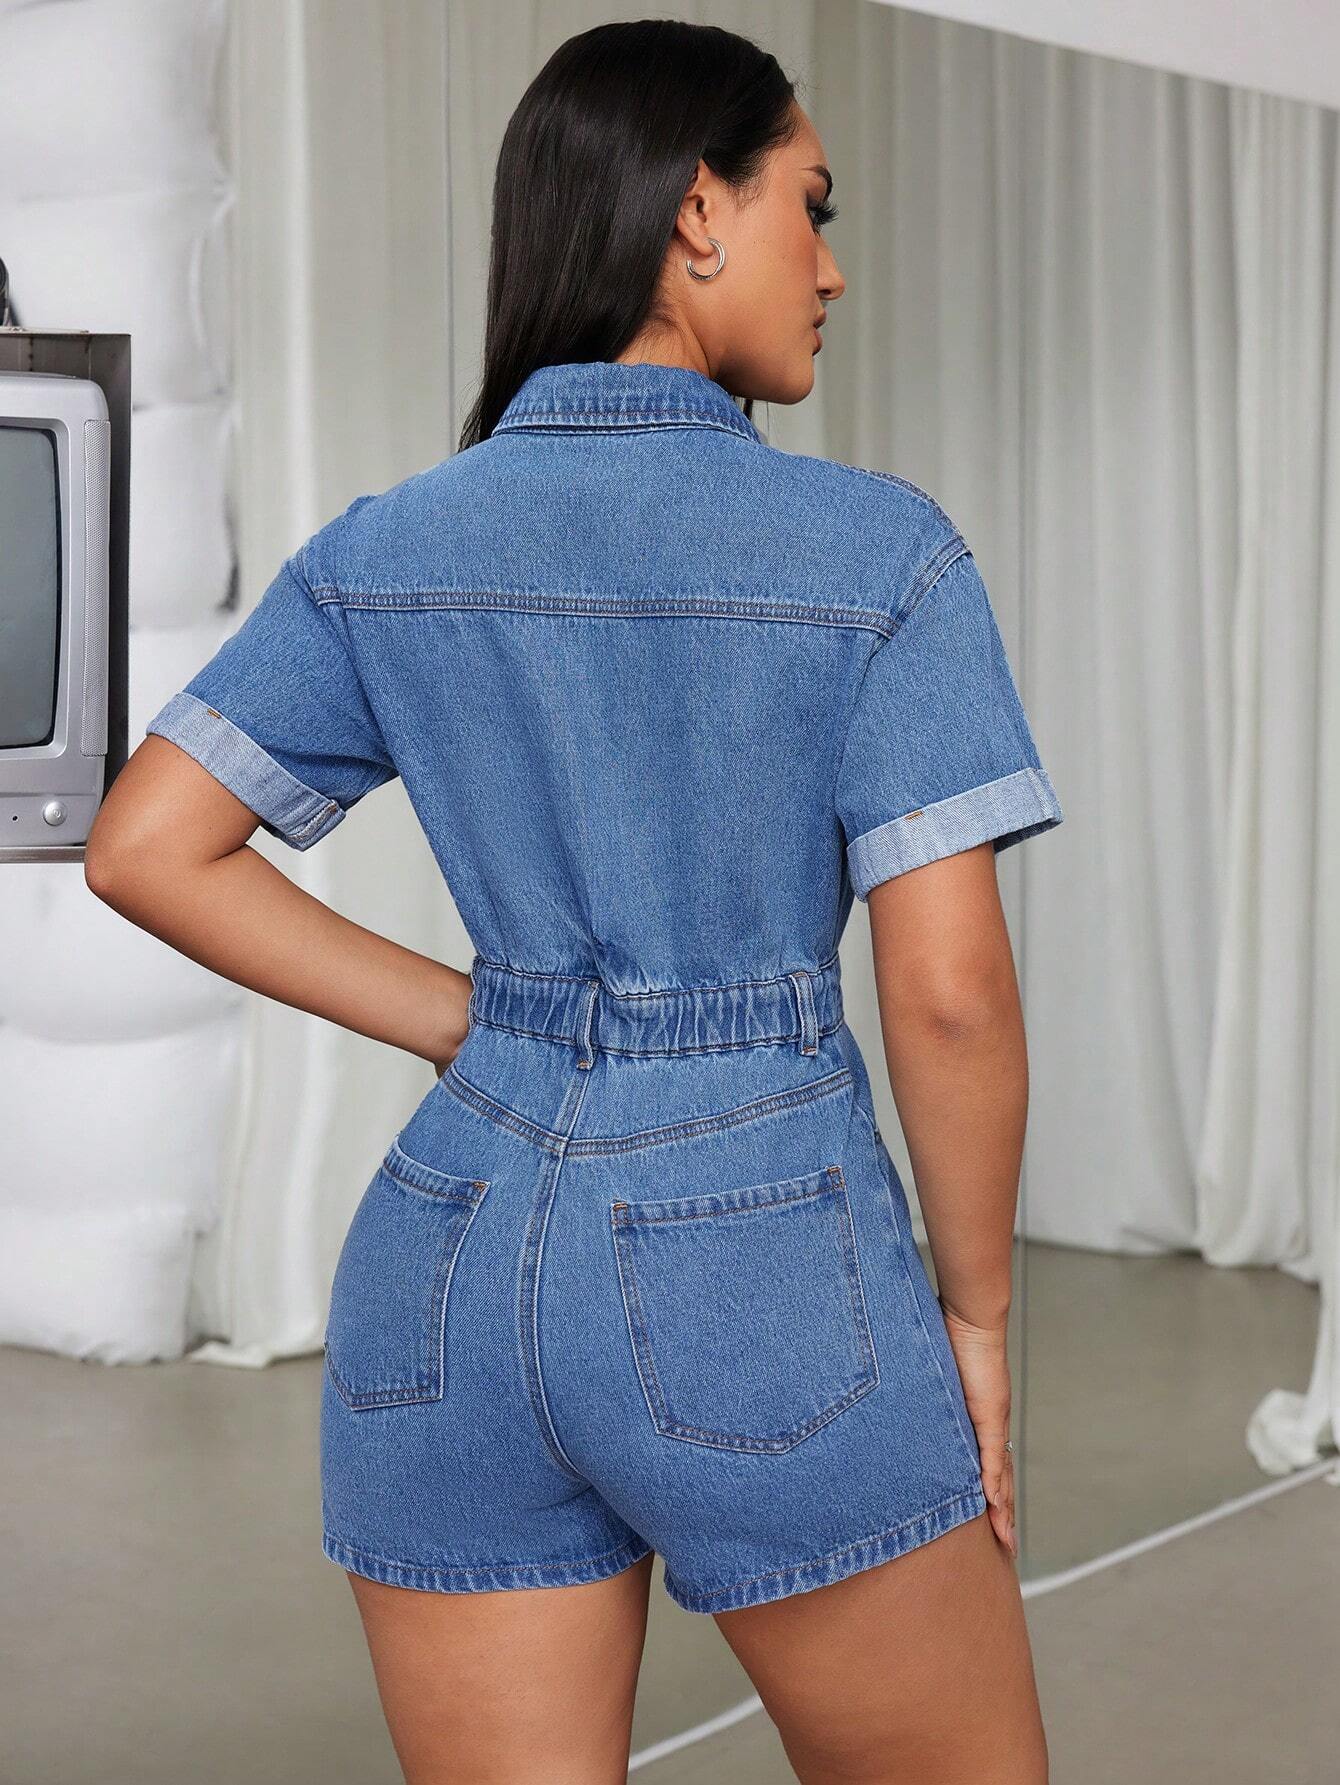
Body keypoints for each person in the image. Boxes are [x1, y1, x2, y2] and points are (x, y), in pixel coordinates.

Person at [86, 18, 1060, 1783]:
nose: (832, 268)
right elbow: (950, 994)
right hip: (762, 1262)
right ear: (697, 212)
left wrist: (478, 1021)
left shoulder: (389, 543)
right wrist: (979, 1320)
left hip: (447, 1259)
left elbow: (146, 844)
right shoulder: (881, 556)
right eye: (813, 206)